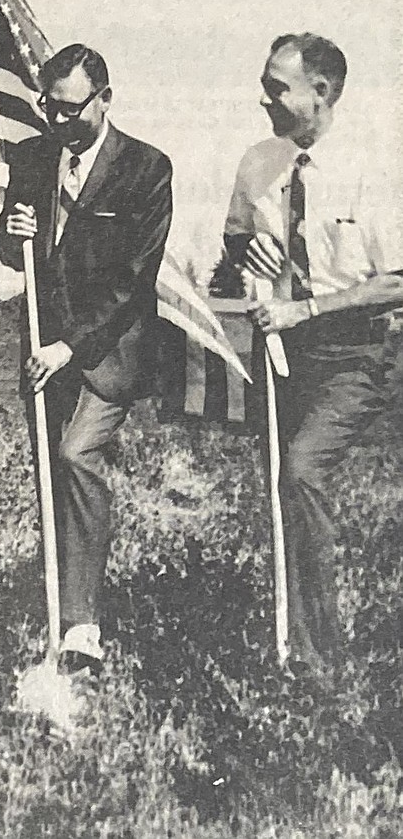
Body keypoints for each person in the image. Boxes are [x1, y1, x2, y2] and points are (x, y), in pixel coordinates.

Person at [223, 33, 403, 684]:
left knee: (300, 473)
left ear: (320, 93)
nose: (263, 97)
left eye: (278, 86)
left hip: (359, 350)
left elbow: (397, 278)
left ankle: (326, 662)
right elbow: (236, 238)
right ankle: (290, 644)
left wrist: (308, 309)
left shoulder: (371, 167)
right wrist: (248, 257)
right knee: (284, 486)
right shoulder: (257, 163)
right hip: (285, 350)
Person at [0, 44, 173, 676]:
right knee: (49, 471)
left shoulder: (146, 168)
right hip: (42, 347)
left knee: (74, 456)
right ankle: (58, 603)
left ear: (105, 99)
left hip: (104, 354)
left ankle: (84, 624)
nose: (59, 122)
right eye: (51, 108)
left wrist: (71, 346)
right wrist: (9, 233)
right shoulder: (32, 157)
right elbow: (15, 254)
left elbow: (131, 282)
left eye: (71, 110)